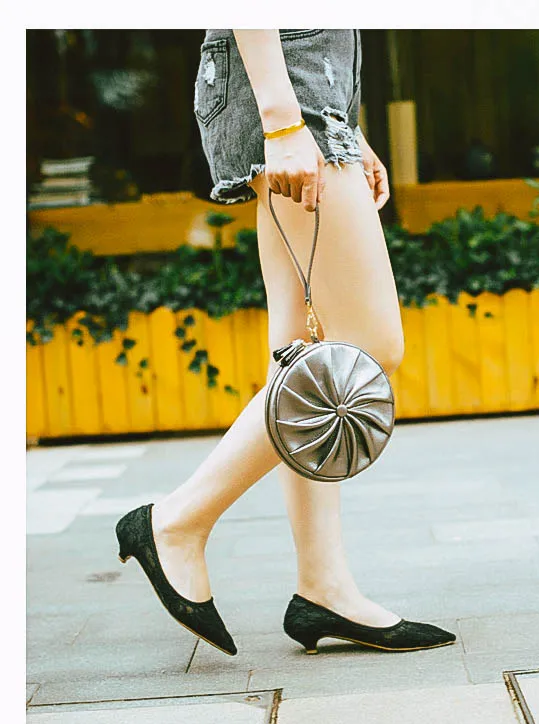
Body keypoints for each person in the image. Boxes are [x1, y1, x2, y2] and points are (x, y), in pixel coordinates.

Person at [115, 29, 455, 657]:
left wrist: (349, 125)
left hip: (308, 94)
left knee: (301, 354)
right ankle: (177, 522)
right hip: (287, 92)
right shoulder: (285, 111)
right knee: (367, 348)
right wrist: (283, 120)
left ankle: (323, 585)